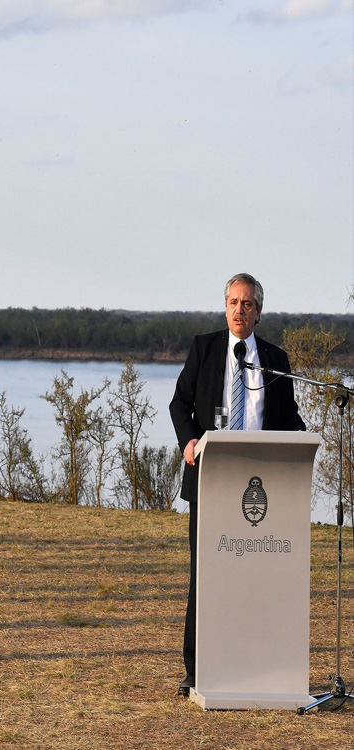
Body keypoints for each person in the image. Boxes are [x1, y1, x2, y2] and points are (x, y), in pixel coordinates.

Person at [169, 272, 305, 697]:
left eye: (247, 304)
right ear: (224, 307)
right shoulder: (204, 348)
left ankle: (252, 662)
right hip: (212, 479)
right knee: (205, 575)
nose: (239, 311)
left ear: (259, 312)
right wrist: (189, 440)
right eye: (233, 302)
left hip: (261, 484)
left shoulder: (276, 359)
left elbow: (287, 418)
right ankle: (196, 669)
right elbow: (180, 403)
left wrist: (305, 445)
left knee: (255, 576)